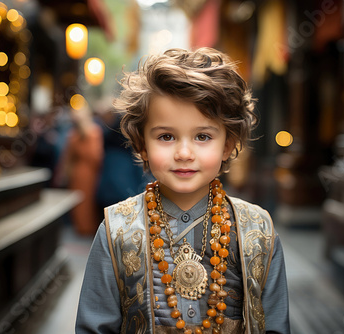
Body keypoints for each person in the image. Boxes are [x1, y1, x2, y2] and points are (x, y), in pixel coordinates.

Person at [76, 48, 290, 334]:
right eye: (166, 136)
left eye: (203, 136)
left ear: (227, 144)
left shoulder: (258, 230)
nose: (184, 153)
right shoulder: (116, 230)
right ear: (142, 144)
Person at [56, 102, 103, 235]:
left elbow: (95, 156)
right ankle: (83, 227)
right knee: (81, 202)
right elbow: (68, 157)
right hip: (80, 173)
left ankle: (87, 227)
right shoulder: (76, 134)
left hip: (89, 173)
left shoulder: (91, 133)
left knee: (88, 202)